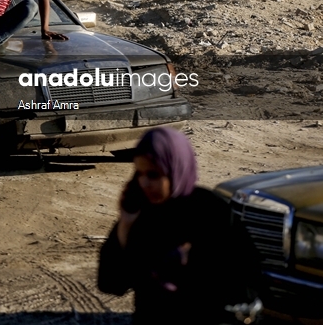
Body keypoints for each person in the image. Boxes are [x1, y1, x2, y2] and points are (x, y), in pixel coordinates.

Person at [98, 128, 261, 325]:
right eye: (139, 173)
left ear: (175, 168)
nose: (144, 183)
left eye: (153, 174)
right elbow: (111, 283)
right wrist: (125, 225)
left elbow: (246, 280)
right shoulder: (143, 213)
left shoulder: (211, 211)